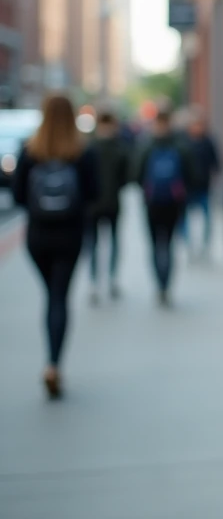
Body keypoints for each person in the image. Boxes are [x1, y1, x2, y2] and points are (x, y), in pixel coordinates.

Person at [12, 93, 98, 398]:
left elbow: (18, 197)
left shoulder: (29, 149)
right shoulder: (82, 151)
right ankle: (54, 363)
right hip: (70, 235)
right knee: (60, 297)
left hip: (38, 237)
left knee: (51, 295)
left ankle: (51, 362)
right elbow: (92, 194)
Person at [132, 103, 196, 306]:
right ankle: (166, 285)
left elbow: (135, 174)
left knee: (154, 245)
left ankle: (159, 285)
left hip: (152, 202)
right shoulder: (180, 144)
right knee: (168, 245)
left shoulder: (147, 144)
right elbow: (193, 175)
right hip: (174, 202)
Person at [85, 108, 130, 303]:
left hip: (101, 203)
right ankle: (102, 280)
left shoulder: (92, 147)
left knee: (104, 243)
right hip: (103, 203)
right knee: (100, 243)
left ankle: (103, 280)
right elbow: (127, 176)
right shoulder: (117, 147)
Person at [177, 108, 221, 257]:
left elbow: (216, 163)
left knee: (207, 218)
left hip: (203, 187)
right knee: (184, 219)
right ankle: (188, 245)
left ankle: (205, 246)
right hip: (187, 187)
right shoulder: (183, 142)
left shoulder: (208, 141)